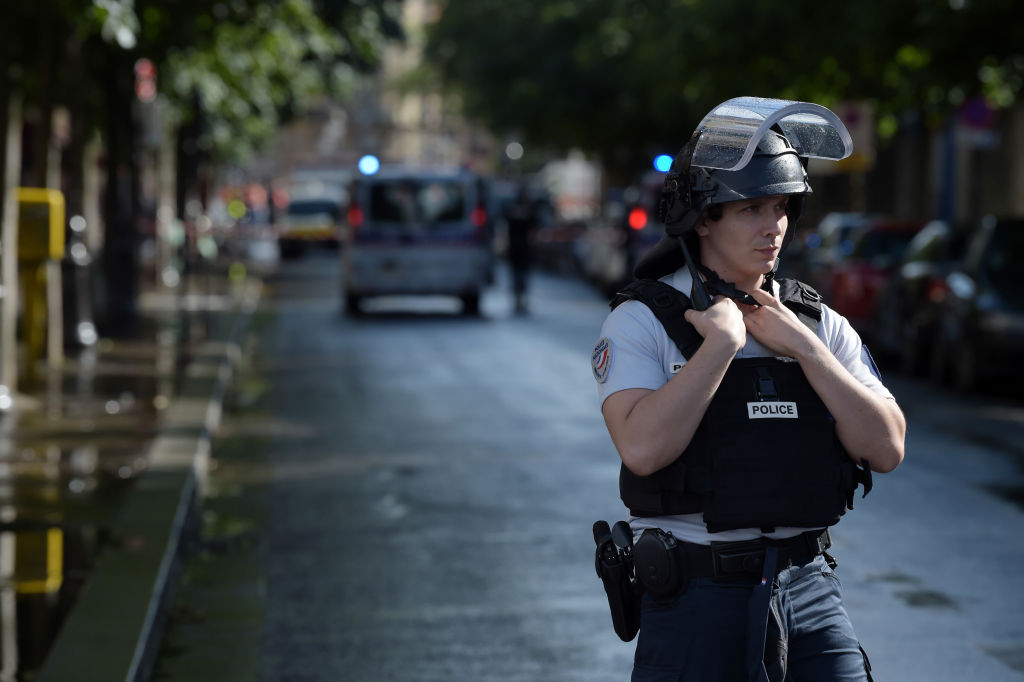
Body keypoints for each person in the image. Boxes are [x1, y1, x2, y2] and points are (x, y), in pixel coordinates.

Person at [590, 98, 906, 682]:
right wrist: (718, 348)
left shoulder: (815, 322)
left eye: (782, 207)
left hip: (807, 588)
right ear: (703, 217)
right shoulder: (643, 320)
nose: (774, 226)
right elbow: (641, 449)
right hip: (696, 595)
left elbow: (885, 449)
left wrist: (807, 350)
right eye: (752, 208)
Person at [503, 183, 539, 314]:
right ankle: (519, 299)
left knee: (521, 276)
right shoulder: (523, 209)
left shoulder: (522, 209)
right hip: (519, 248)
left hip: (522, 248)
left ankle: (520, 298)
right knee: (518, 276)